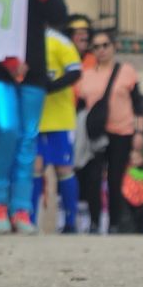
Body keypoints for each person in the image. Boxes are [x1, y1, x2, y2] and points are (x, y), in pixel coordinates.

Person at [0, 0, 69, 235]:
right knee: (6, 129)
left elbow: (58, 15)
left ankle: (20, 207)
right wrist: (7, 61)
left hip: (34, 69)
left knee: (28, 138)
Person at [74, 29, 141, 234]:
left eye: (105, 45)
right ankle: (94, 222)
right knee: (92, 177)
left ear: (113, 47)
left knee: (115, 178)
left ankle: (114, 223)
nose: (101, 50)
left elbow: (139, 104)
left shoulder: (127, 71)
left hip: (122, 131)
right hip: (96, 133)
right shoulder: (84, 75)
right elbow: (80, 107)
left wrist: (140, 133)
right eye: (96, 46)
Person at [31, 28, 85, 233]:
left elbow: (75, 71)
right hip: (33, 119)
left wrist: (49, 87)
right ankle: (31, 222)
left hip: (59, 119)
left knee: (64, 168)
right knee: (35, 168)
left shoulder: (58, 41)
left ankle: (71, 223)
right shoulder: (21, 36)